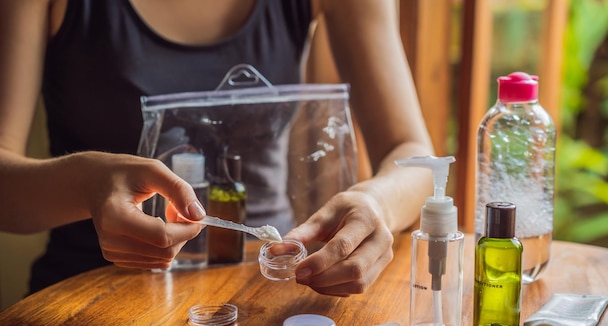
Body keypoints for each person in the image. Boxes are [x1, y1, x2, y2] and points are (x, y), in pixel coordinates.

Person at [0, 0, 434, 297]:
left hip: (272, 290)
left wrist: (376, 203)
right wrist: (86, 184)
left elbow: (413, 156)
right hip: (85, 300)